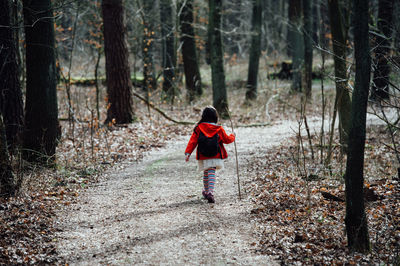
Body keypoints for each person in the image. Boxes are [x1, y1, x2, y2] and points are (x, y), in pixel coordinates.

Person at [185, 106, 235, 203]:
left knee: (206, 172)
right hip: (215, 154)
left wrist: (188, 153)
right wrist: (233, 135)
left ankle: (207, 191)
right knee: (212, 172)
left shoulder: (199, 128)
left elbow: (193, 141)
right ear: (215, 117)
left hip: (203, 155)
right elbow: (227, 140)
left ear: (203, 116)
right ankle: (210, 192)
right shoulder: (218, 128)